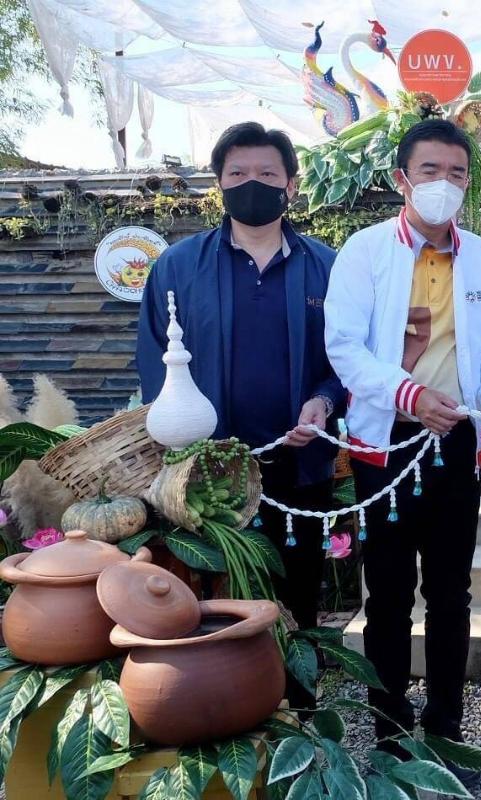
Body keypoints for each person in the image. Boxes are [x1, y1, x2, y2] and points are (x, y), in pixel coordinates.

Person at [323, 119, 481, 781]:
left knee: (451, 592)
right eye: (430, 171)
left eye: (458, 173)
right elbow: (345, 348)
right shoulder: (365, 251)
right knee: (387, 595)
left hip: (456, 438)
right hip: (389, 440)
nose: (445, 185)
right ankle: (387, 727)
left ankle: (446, 726)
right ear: (401, 179)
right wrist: (406, 395)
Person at [136, 121, 343, 656]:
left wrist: (323, 401)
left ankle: (300, 709)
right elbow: (155, 362)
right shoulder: (178, 267)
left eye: (268, 173)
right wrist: (181, 448)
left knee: (296, 596)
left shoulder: (327, 267)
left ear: (291, 185)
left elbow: (347, 361)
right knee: (213, 603)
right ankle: (229, 719)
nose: (254, 182)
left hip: (299, 470)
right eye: (239, 173)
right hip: (207, 479)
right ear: (220, 184)